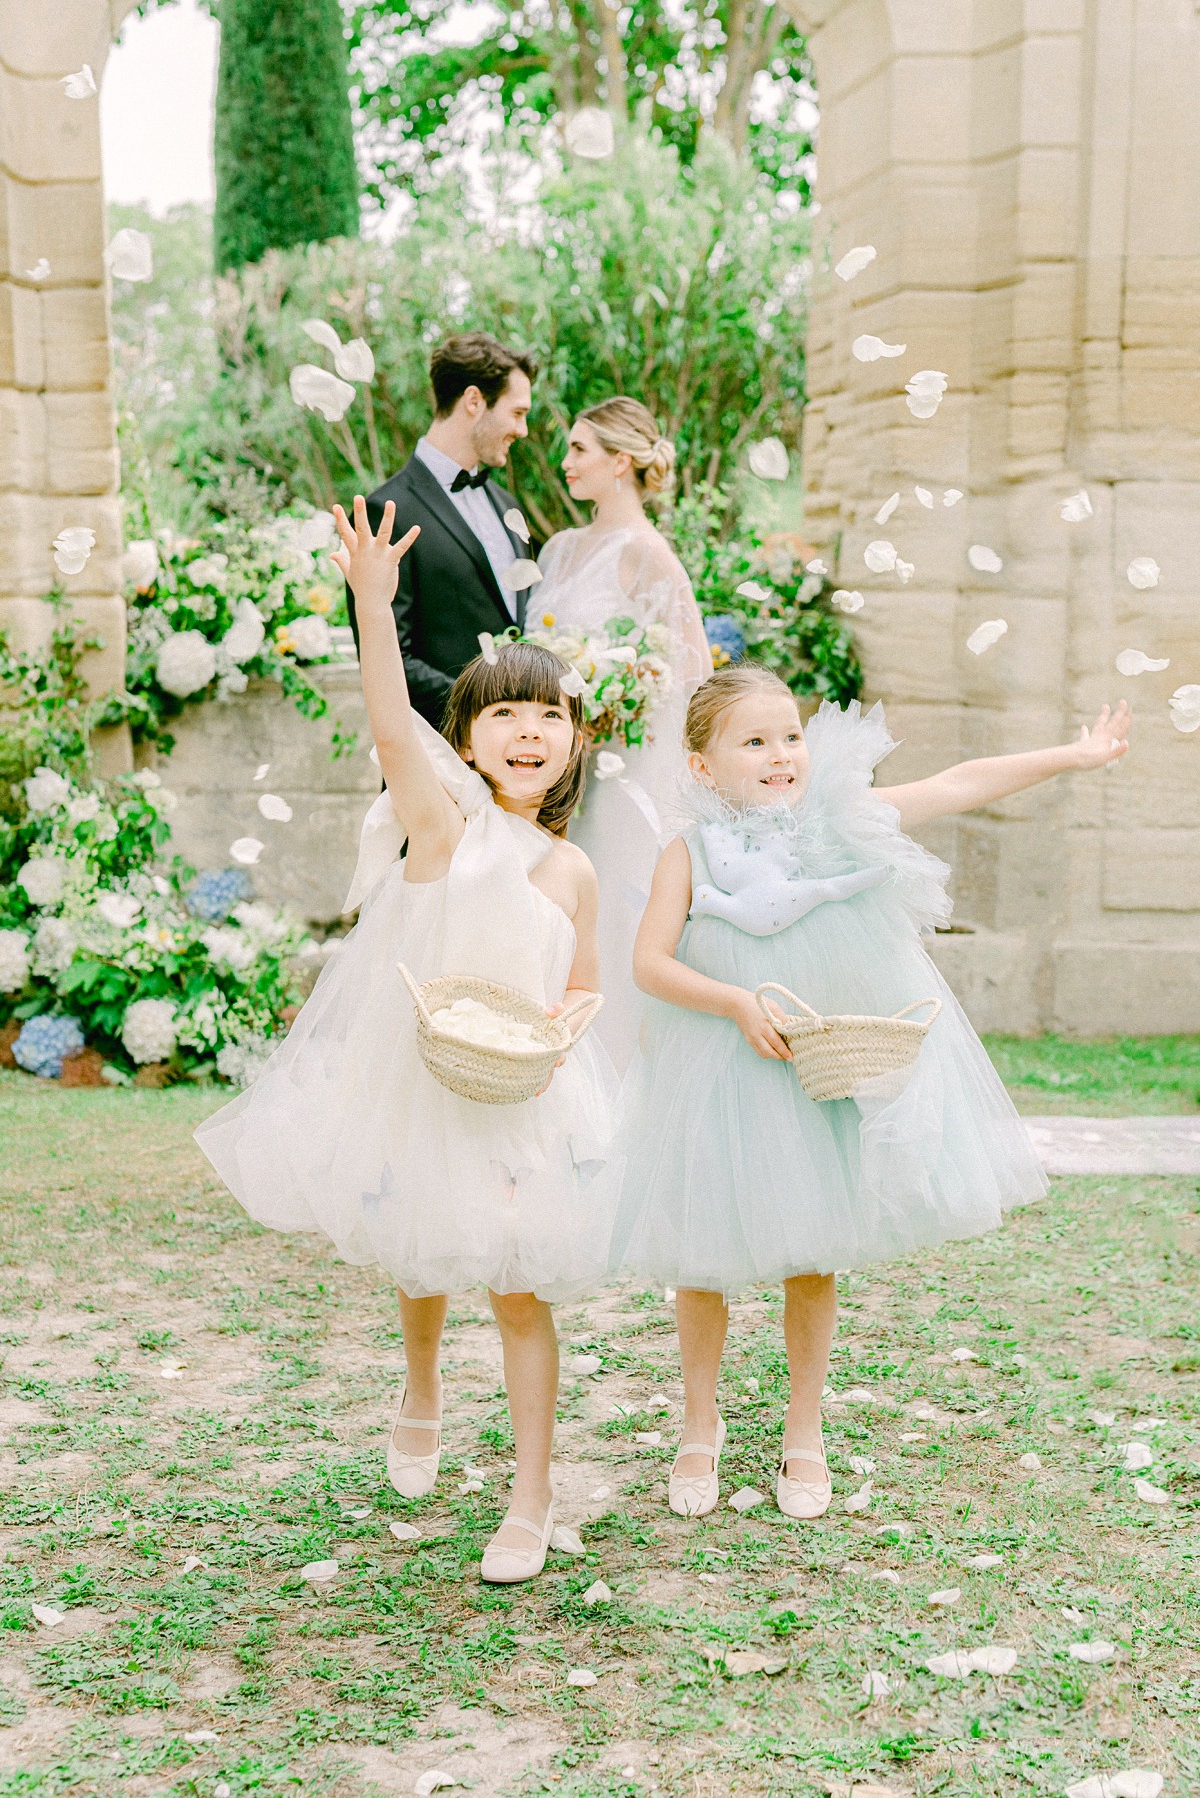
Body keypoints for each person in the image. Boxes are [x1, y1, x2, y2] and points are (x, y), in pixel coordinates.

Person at [196, 499, 619, 1584]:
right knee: (421, 1247)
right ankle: (421, 1383)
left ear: (575, 738)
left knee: (519, 1289)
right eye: (504, 715)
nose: (528, 731)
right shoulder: (446, 829)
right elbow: (392, 730)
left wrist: (566, 1031)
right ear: (468, 739)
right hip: (424, 1078)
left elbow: (582, 987)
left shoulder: (573, 870)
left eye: (548, 716)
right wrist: (372, 607)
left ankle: (531, 1496)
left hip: (520, 1093)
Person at [610, 665, 1132, 1522]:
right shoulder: (691, 853)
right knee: (700, 1251)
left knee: (814, 1250)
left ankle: (803, 1428)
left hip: (823, 1064)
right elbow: (650, 963)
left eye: (791, 736)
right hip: (721, 1063)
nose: (781, 755)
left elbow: (960, 783)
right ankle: (698, 1423)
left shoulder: (843, 823)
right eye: (754, 741)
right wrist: (735, 999)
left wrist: (1073, 755)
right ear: (703, 766)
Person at [536, 398, 713, 1067]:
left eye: (579, 449)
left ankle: (610, 1076)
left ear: (619, 461)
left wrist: (615, 704)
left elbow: (692, 673)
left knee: (611, 908)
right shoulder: (558, 550)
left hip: (619, 775)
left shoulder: (649, 554)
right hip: (551, 769)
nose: (566, 462)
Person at [347, 333, 538, 727]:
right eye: (517, 413)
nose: (523, 431)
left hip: (522, 766)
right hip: (434, 756)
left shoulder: (508, 506)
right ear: (474, 401)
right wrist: (488, 712)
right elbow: (387, 656)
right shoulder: (387, 512)